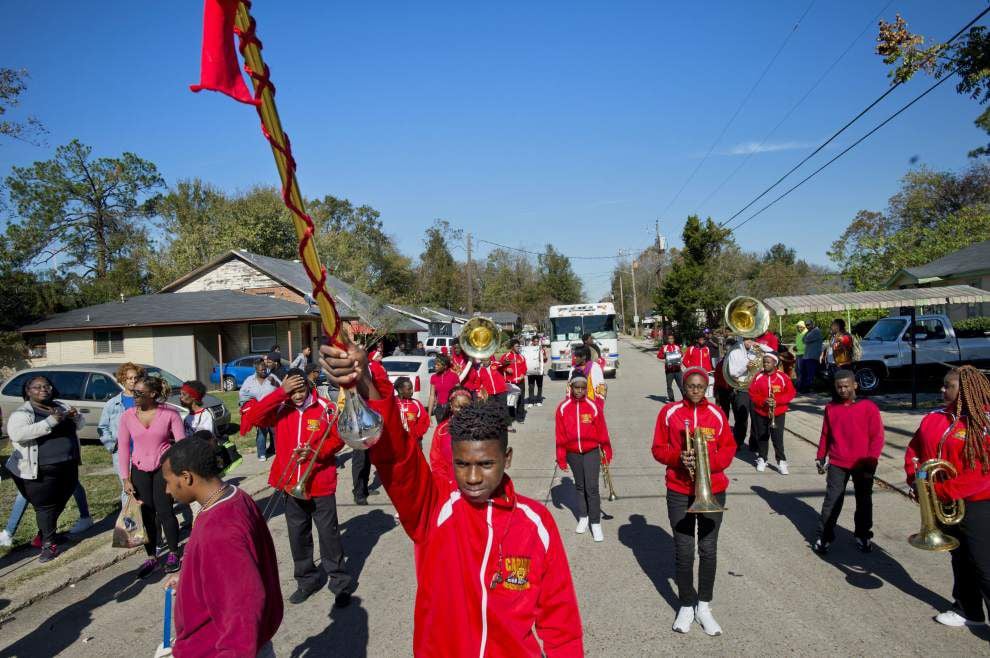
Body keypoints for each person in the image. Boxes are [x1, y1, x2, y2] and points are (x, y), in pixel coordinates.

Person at [320, 343, 584, 656]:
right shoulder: (432, 509)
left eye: (486, 464)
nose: (472, 478)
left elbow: (560, 621)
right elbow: (398, 458)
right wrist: (366, 381)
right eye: (462, 464)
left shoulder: (536, 522)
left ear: (507, 458)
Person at [241, 369, 354, 607]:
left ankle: (339, 583)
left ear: (309, 387)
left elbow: (338, 439)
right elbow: (254, 419)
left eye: (300, 390)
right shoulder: (281, 406)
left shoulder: (326, 408)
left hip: (321, 482)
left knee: (329, 535)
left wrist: (316, 453)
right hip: (291, 483)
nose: (297, 396)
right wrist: (280, 393)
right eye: (292, 392)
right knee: (298, 535)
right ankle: (307, 580)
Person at [160, 437, 283, 656]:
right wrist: (190, 579)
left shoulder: (219, 529)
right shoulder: (235, 496)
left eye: (168, 481)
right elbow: (230, 569)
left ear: (187, 477)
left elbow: (243, 604)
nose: (167, 491)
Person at [651, 367, 736, 635]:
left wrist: (706, 462)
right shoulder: (669, 413)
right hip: (679, 489)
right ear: (684, 387)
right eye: (691, 386)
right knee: (685, 551)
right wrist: (678, 458)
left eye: (700, 386)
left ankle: (705, 605)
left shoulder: (717, 414)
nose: (696, 390)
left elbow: (729, 449)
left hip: (713, 489)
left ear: (707, 387)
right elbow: (657, 448)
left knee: (708, 550)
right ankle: (687, 604)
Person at [905, 366, 990, 627]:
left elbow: (983, 471)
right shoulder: (933, 417)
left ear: (964, 389)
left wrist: (942, 491)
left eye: (948, 386)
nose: (942, 389)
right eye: (942, 385)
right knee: (959, 557)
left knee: (983, 563)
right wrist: (916, 480)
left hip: (978, 503)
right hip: (944, 504)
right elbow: (915, 450)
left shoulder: (984, 422)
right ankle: (968, 610)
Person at [4, 375, 84, 563]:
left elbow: (79, 425)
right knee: (46, 506)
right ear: (28, 391)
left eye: (46, 386)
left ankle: (46, 534)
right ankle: (48, 544)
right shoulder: (22, 413)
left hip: (68, 463)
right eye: (37, 387)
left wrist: (76, 417)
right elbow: (17, 434)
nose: (43, 389)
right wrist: (50, 422)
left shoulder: (61, 405)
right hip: (39, 469)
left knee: (61, 500)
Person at [118, 375, 186, 576]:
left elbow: (181, 445)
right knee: (146, 514)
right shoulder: (128, 416)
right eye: (133, 392)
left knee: (165, 511)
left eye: (139, 393)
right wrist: (125, 478)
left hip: (162, 470)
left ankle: (173, 552)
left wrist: (176, 474)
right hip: (139, 470)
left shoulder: (169, 414)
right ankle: (151, 557)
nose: (134, 396)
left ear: (153, 394)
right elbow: (123, 448)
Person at [813, 370, 884, 554]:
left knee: (864, 501)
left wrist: (872, 459)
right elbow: (825, 434)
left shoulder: (868, 407)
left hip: (863, 463)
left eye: (846, 386)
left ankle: (863, 534)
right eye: (839, 387)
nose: (843, 390)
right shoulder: (831, 408)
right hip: (837, 462)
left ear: (855, 385)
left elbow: (877, 437)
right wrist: (821, 455)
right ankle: (825, 536)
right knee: (832, 500)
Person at [554, 374, 612, 542]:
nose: (579, 391)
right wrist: (561, 457)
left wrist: (606, 450)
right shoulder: (563, 408)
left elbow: (602, 430)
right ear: (570, 388)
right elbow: (560, 435)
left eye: (582, 388)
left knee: (592, 487)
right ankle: (583, 517)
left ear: (586, 389)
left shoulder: (593, 407)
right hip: (573, 453)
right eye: (576, 388)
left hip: (591, 451)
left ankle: (595, 523)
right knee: (580, 487)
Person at [98, 362, 146, 509]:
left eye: (135, 378)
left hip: (143, 452)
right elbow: (102, 427)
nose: (132, 381)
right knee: (128, 487)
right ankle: (129, 523)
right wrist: (112, 445)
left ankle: (145, 518)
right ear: (123, 380)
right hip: (122, 453)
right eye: (129, 378)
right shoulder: (113, 404)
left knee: (143, 488)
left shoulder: (144, 400)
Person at [748, 354, 796, 474]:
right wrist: (763, 400)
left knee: (777, 438)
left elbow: (791, 393)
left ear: (775, 363)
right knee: (762, 437)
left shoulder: (783, 377)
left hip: (778, 412)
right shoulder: (758, 376)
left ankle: (781, 462)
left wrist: (777, 401)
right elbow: (752, 393)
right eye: (764, 362)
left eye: (768, 362)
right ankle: (762, 459)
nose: (765, 364)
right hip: (761, 411)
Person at [725, 338, 770, 450]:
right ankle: (737, 442)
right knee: (741, 419)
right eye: (747, 339)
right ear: (741, 339)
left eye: (752, 338)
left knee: (756, 419)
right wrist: (746, 366)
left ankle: (754, 444)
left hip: (757, 389)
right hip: (742, 389)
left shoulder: (757, 351)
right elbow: (733, 372)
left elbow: (773, 353)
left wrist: (759, 344)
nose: (750, 341)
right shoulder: (734, 353)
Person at [428, 386, 473, 483]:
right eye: (458, 406)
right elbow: (436, 460)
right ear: (451, 406)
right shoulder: (441, 430)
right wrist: (444, 481)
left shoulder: (480, 427)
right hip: (449, 482)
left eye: (465, 406)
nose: (462, 410)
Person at [239, 359, 279, 461]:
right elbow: (242, 394)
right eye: (261, 370)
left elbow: (282, 388)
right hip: (259, 410)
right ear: (256, 370)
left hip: (272, 409)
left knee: (274, 430)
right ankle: (261, 453)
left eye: (265, 369)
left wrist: (275, 383)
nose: (264, 372)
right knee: (262, 431)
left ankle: (277, 450)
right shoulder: (249, 380)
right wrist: (247, 404)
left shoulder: (272, 377)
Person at [395, 376, 431, 444]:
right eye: (409, 389)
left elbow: (424, 420)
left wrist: (416, 434)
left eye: (412, 388)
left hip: (414, 441)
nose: (412, 391)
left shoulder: (416, 403)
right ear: (400, 390)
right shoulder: (392, 403)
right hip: (397, 442)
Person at [500, 339, 528, 422]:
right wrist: (506, 369)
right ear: (512, 347)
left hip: (520, 382)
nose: (518, 347)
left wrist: (523, 374)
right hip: (510, 382)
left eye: (519, 346)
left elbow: (525, 368)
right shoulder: (506, 356)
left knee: (521, 399)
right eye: (516, 346)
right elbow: (500, 366)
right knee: (510, 400)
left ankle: (520, 417)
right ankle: (511, 416)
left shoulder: (521, 357)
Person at [799, 320, 823, 393]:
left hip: (812, 356)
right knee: (804, 373)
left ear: (813, 324)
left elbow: (806, 339)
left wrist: (807, 333)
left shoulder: (816, 331)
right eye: (806, 325)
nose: (807, 326)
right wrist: (808, 332)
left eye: (808, 324)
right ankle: (803, 388)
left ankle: (807, 388)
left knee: (810, 374)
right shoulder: (810, 331)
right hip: (807, 356)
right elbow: (803, 339)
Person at [524, 336, 548, 407]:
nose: (536, 343)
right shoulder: (528, 350)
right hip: (531, 371)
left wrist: (544, 357)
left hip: (539, 370)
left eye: (537, 341)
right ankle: (531, 401)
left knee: (539, 386)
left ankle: (539, 400)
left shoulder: (541, 349)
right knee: (531, 386)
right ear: (532, 341)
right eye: (535, 341)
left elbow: (545, 360)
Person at [658, 334, 683, 402]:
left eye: (672, 338)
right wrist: (665, 355)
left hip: (678, 369)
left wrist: (680, 354)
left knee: (682, 385)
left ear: (673, 339)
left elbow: (681, 354)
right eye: (669, 339)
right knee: (669, 386)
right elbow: (659, 355)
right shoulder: (664, 347)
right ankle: (672, 400)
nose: (670, 340)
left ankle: (686, 399)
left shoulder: (677, 347)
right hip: (669, 370)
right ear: (667, 340)